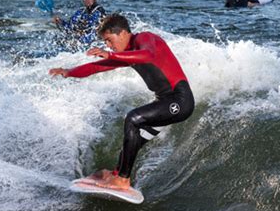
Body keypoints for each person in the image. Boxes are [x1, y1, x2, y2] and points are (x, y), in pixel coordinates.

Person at [49, 14, 195, 190]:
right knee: (132, 142)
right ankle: (117, 174)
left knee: (133, 118)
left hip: (179, 100)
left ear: (123, 33)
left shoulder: (144, 38)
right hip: (164, 102)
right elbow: (97, 67)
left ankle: (122, 180)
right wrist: (68, 71)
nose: (108, 45)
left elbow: (148, 55)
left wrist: (110, 53)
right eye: (106, 42)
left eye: (109, 40)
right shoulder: (127, 54)